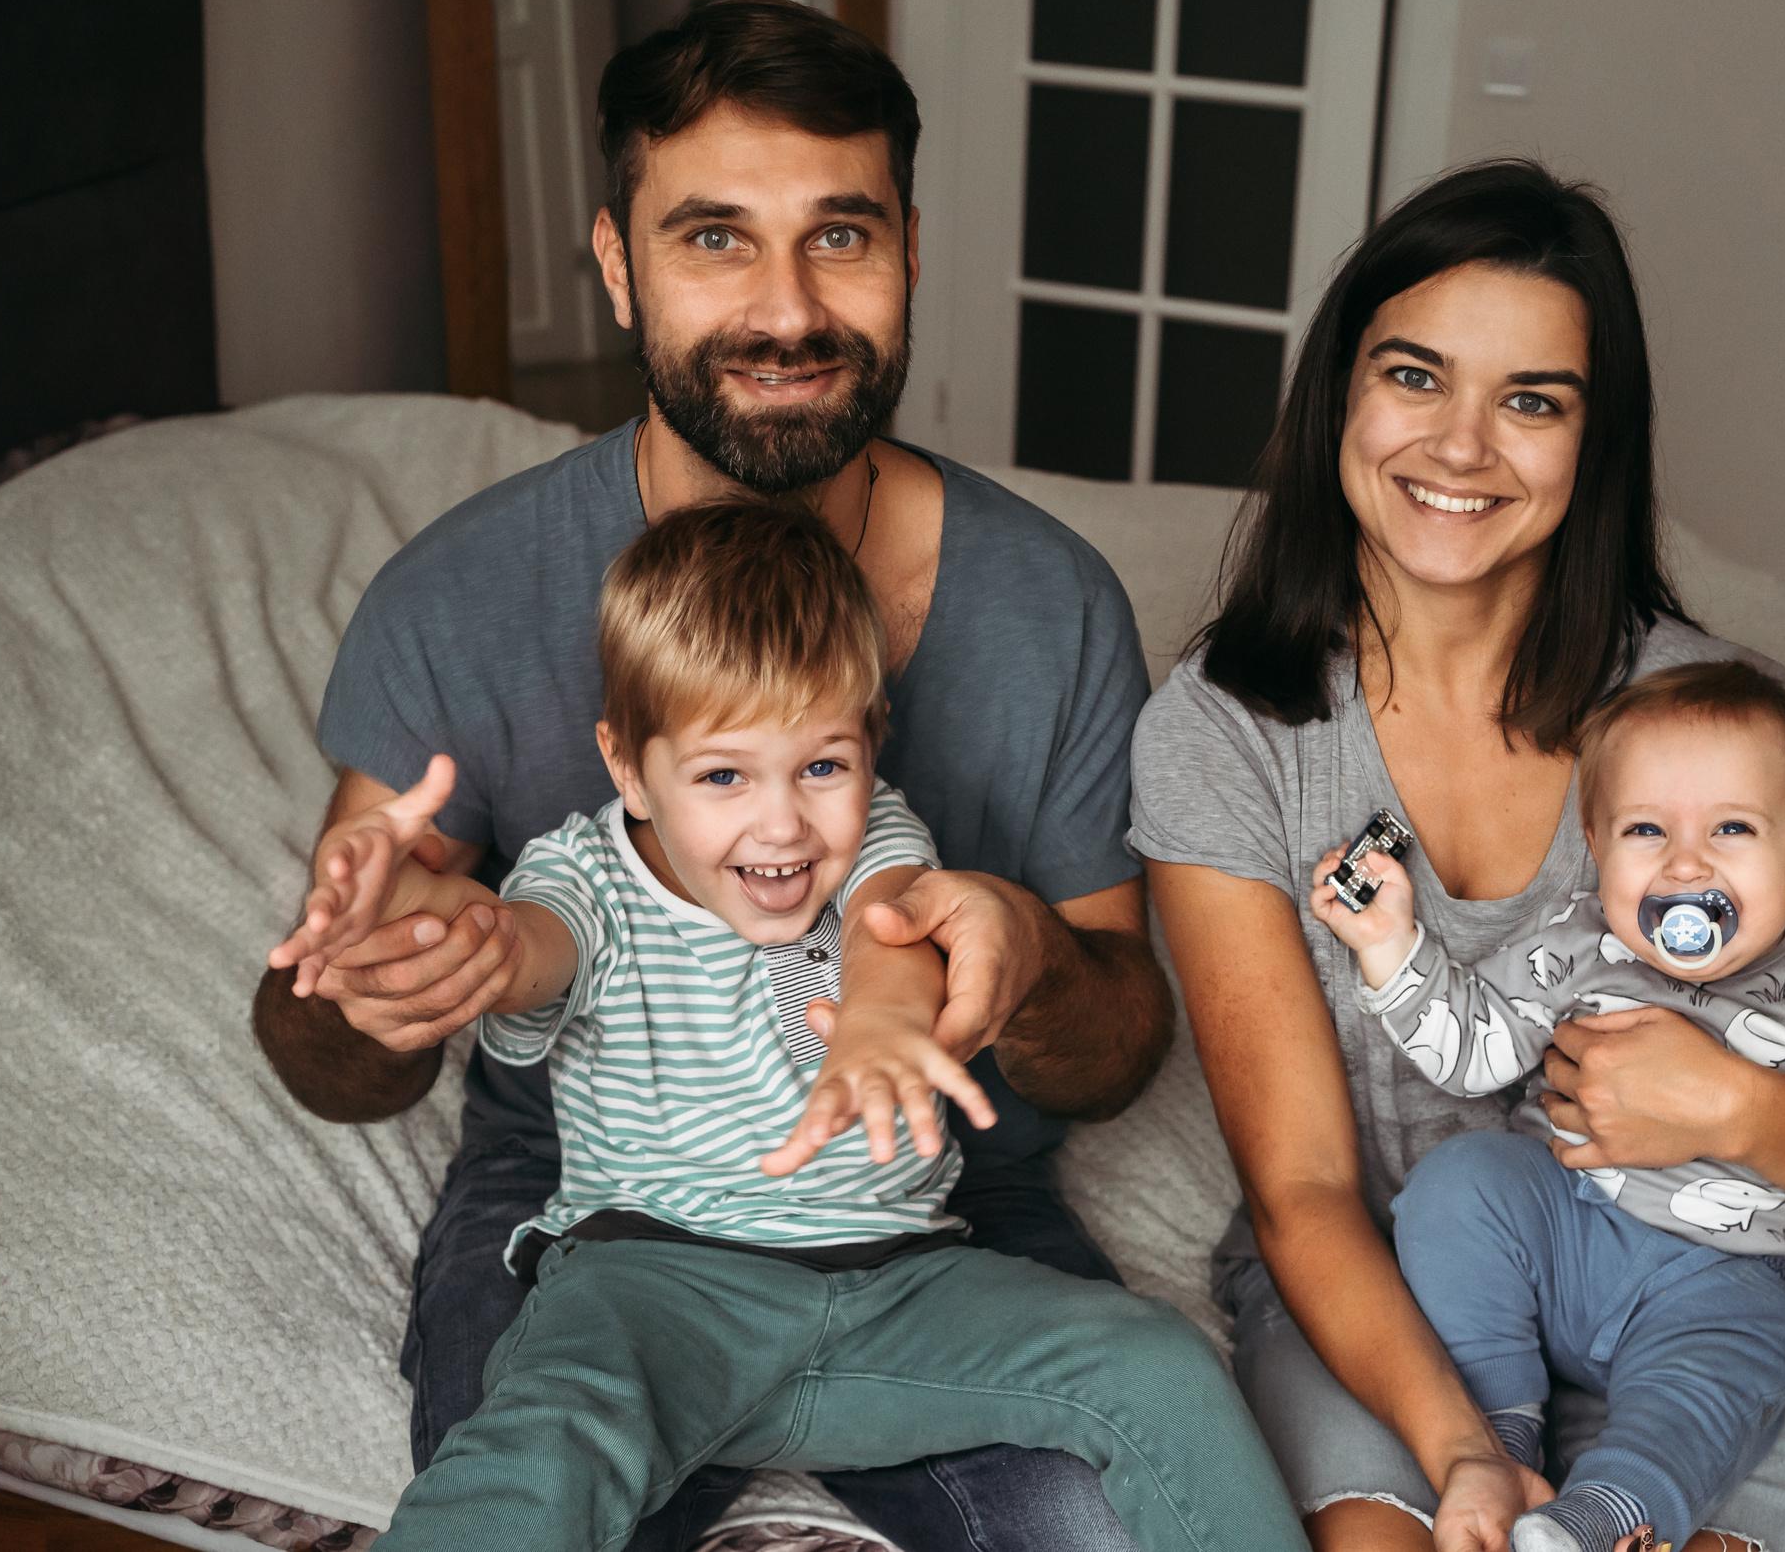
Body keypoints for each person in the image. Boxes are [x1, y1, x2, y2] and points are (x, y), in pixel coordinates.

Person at [252, 0, 1175, 1552]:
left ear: (911, 251)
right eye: (715, 239)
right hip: (588, 1202)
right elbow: (333, 1053)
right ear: (619, 264)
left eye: (840, 236)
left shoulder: (1052, 602)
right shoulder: (461, 596)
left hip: (943, 1198)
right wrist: (366, 977)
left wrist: (1023, 956)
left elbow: (1120, 1042)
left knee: (1108, 1520)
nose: (786, 308)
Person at [1127, 159, 1785, 1552]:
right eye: (1414, 377)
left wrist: (1736, 1107)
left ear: (1594, 442)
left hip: (1719, 1287)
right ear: (1339, 396)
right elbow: (1302, 1191)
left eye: (1531, 401)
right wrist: (1465, 1456)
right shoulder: (1223, 733)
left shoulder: (1733, 731)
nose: (1461, 447)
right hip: (1389, 1300)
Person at [270, 503, 1306, 1552]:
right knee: (538, 1450)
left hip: (901, 1286)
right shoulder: (584, 876)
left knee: (1156, 1361)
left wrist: (882, 1023)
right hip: (653, 1291)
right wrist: (423, 915)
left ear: (873, 741)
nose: (781, 825)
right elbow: (517, 940)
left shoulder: (881, 833)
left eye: (822, 767)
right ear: (628, 766)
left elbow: (893, 927)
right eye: (723, 775)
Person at [1310, 660, 1785, 1552]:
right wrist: (1391, 947)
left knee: (1717, 1382)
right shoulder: (1578, 942)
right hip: (1570, 1229)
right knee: (1461, 1183)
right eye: (1646, 829)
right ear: (1597, 844)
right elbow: (1472, 1049)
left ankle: (1602, 1511)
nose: (1686, 862)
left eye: (1733, 827)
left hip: (1731, 1274)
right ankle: (1500, 1438)